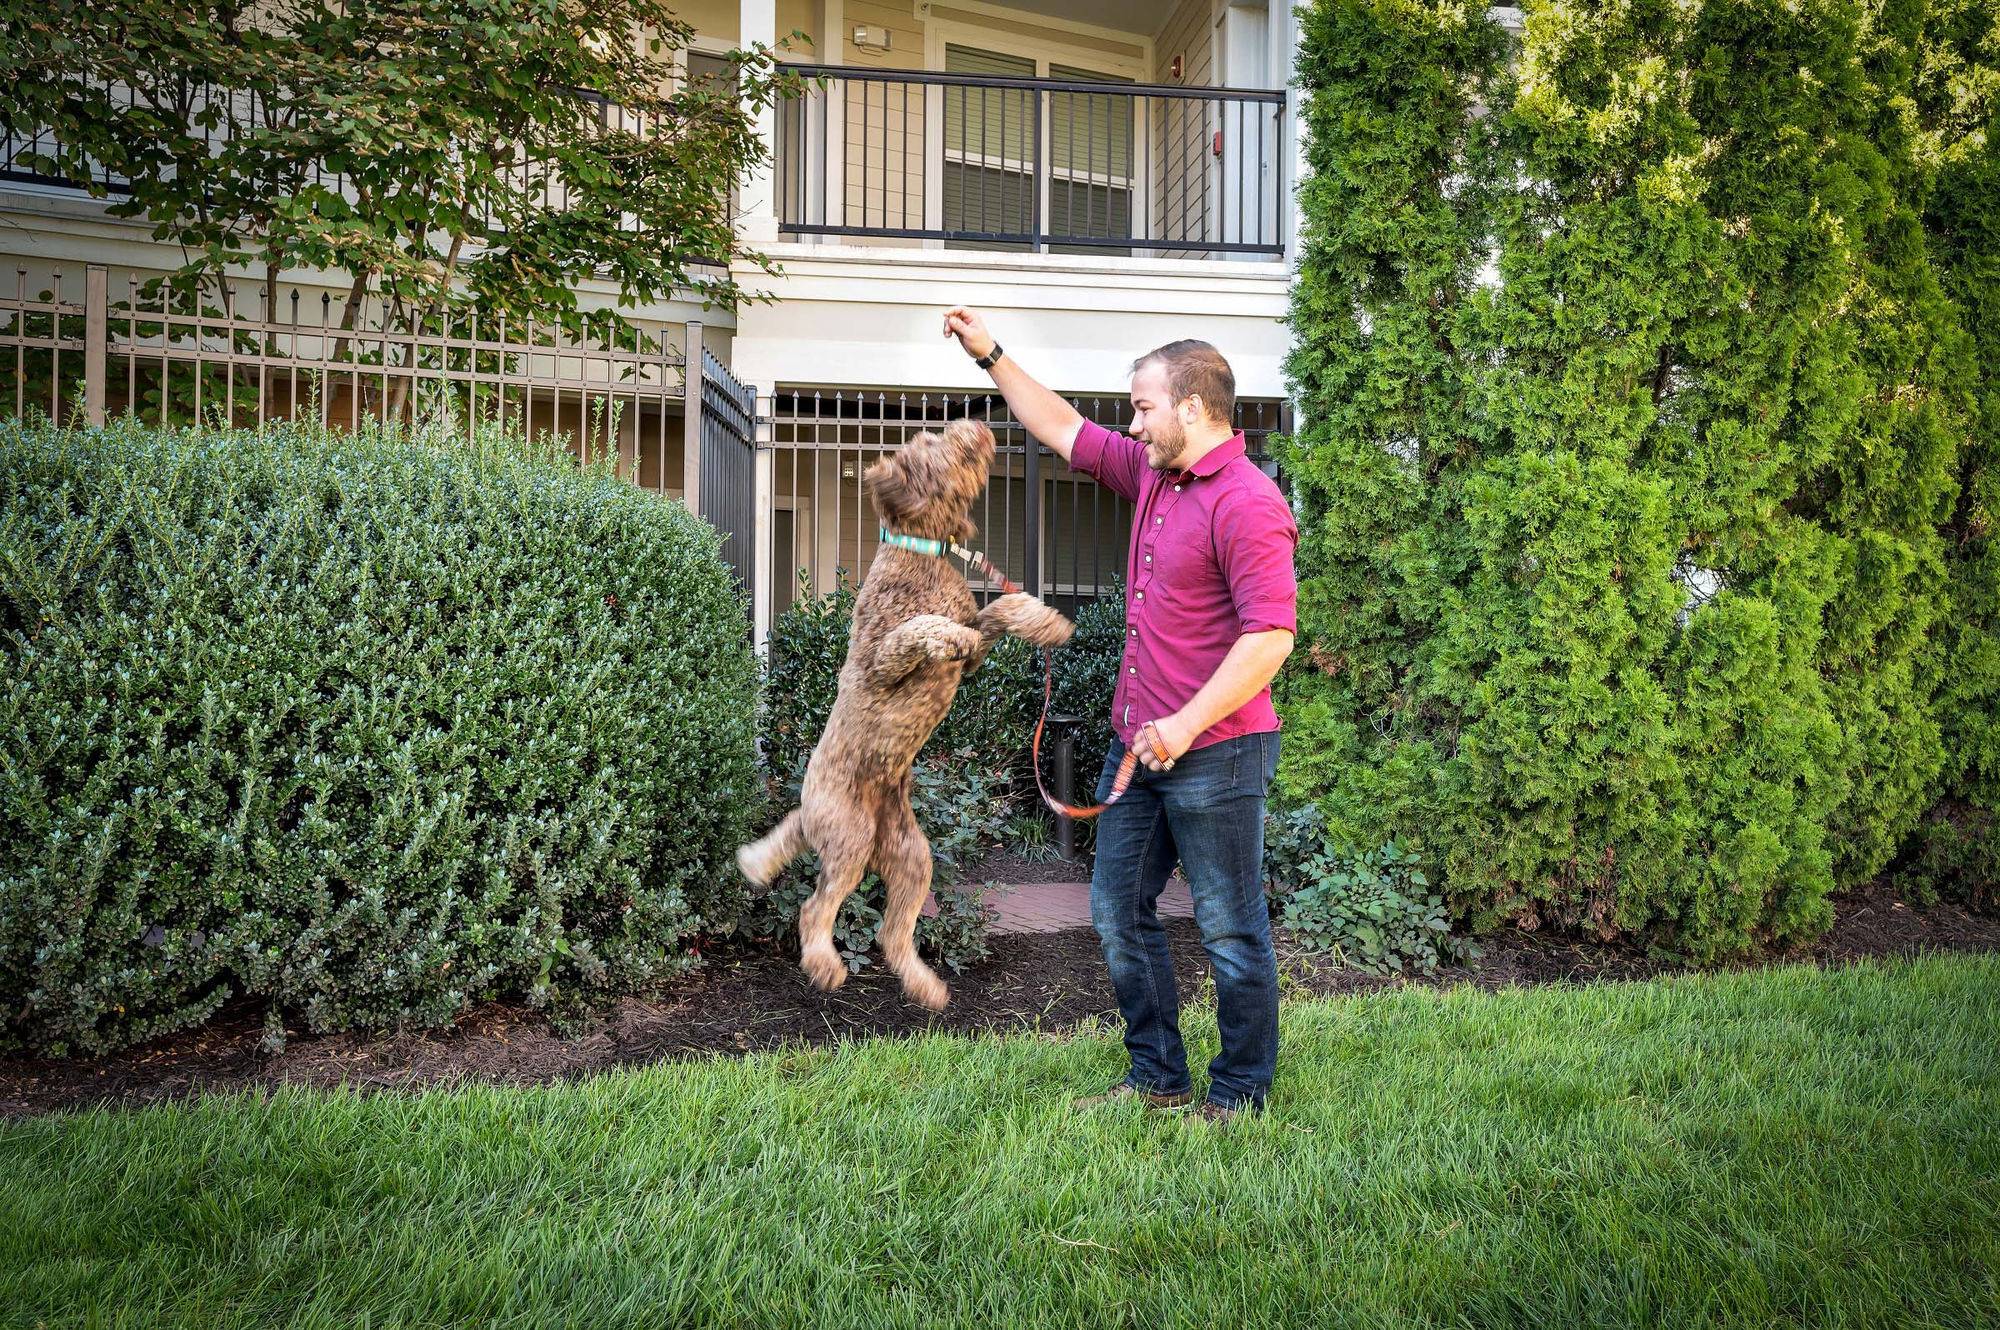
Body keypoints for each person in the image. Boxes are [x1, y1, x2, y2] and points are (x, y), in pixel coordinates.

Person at [942, 306, 1297, 1123]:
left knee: (1231, 931)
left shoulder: (1247, 502)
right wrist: (991, 354)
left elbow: (1270, 638)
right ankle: (1158, 1077)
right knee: (1115, 913)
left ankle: (1241, 1093)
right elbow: (1062, 426)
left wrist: (1184, 724)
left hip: (1217, 753)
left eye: (1142, 406)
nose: (1131, 422)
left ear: (1195, 409)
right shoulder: (1151, 474)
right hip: (1137, 747)